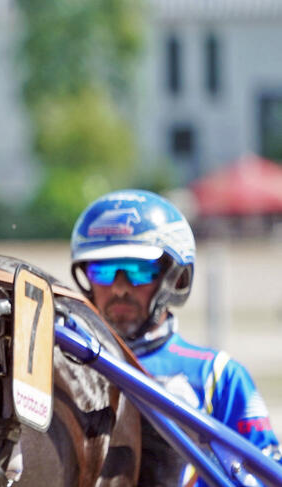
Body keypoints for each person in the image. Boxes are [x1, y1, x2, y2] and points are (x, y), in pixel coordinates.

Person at [70, 189, 282, 486]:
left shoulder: (217, 375)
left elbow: (267, 475)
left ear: (175, 278)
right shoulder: (68, 366)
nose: (119, 288)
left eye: (138, 270)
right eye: (102, 271)